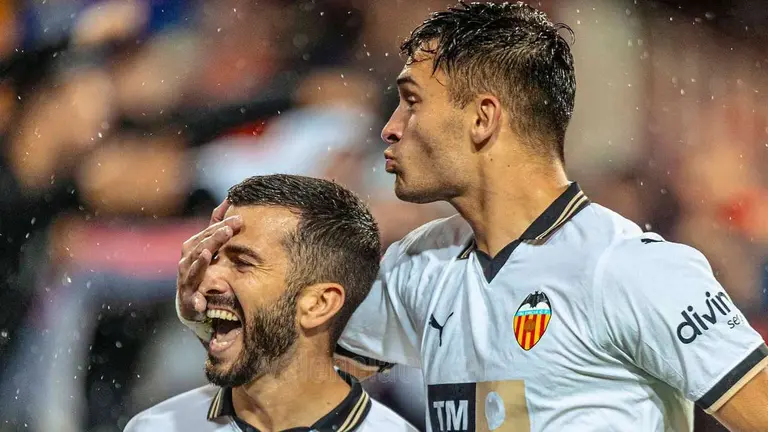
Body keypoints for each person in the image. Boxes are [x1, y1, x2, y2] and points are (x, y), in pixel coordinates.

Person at [176, 2, 768, 431]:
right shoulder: (421, 267)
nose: (390, 127)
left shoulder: (632, 271)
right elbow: (289, 350)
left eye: (410, 101)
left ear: (483, 119)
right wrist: (211, 308)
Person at [127, 174, 417, 431]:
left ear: (319, 304)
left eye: (242, 263)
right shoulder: (156, 426)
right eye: (213, 258)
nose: (207, 279)